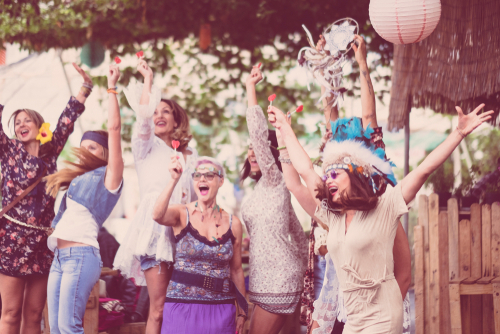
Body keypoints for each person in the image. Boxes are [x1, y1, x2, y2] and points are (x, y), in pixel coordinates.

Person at [269, 85, 493, 333]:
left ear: (354, 175)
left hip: (383, 316)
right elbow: (299, 178)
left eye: (335, 173)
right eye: (327, 174)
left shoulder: (385, 207)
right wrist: (283, 134)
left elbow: (423, 171)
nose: (328, 179)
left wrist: (458, 133)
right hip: (354, 319)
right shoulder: (332, 217)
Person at [291, 34, 411, 334]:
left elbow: (369, 114)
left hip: (373, 234)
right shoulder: (333, 176)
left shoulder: (373, 168)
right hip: (341, 245)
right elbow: (329, 111)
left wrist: (362, 63)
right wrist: (323, 66)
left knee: (399, 269)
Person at [0, 63, 91, 334]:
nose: (21, 124)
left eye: (27, 119)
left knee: (35, 313)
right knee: (10, 313)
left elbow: (67, 119)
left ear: (39, 125)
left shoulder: (50, 152)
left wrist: (85, 86)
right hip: (12, 241)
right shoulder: (8, 150)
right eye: (17, 123)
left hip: (42, 241)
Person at [113, 58, 198, 334]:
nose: (159, 115)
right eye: (156, 110)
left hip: (186, 233)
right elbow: (143, 119)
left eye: (166, 111)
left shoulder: (190, 156)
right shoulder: (144, 147)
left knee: (184, 305)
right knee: (159, 309)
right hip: (156, 233)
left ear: (176, 120)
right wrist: (147, 81)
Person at [44, 64, 124, 334]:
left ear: (105, 154)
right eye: (83, 146)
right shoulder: (77, 180)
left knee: (69, 328)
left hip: (81, 255)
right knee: (55, 328)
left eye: (93, 147)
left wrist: (111, 86)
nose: (85, 151)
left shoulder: (109, 177)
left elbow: (114, 129)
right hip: (59, 256)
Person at [241, 64, 308, 334]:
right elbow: (298, 234)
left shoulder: (276, 179)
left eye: (259, 150)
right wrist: (304, 273)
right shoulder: (265, 190)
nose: (253, 154)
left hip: (278, 278)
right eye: (250, 151)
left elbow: (258, 135)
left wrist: (250, 89)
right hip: (262, 276)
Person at [151, 156, 247, 334]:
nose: (202, 179)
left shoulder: (234, 223)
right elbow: (157, 215)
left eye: (209, 175)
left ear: (221, 181)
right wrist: (174, 180)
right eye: (197, 175)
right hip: (181, 307)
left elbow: (236, 270)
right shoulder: (181, 213)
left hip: (221, 309)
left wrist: (242, 312)